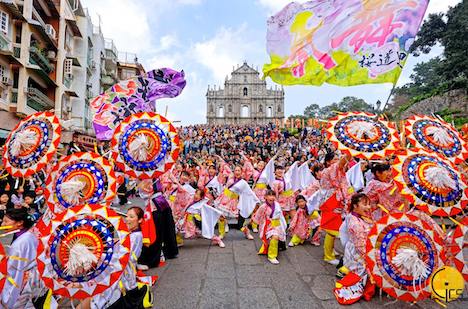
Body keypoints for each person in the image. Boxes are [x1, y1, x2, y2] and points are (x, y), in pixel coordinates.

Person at [82, 207, 148, 309]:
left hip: (122, 274)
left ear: (140, 220)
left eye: (131, 217)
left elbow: (123, 255)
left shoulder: (136, 236)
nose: (127, 219)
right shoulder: (130, 233)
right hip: (120, 269)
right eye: (127, 216)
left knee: (97, 291)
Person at [1, 208, 48, 308]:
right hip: (37, 276)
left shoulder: (20, 244)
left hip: (26, 280)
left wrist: (7, 297)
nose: (2, 224)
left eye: (6, 221)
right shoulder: (30, 233)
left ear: (20, 223)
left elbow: (15, 272)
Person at [334, 193, 375, 305]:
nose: (368, 207)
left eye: (369, 204)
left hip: (357, 248)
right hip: (359, 252)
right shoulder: (355, 223)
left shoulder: (356, 216)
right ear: (355, 205)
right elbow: (361, 247)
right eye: (365, 204)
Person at [139, 180, 178, 268]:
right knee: (155, 231)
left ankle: (169, 251)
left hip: (162, 203)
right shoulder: (141, 178)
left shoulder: (156, 176)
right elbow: (144, 193)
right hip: (153, 206)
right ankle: (155, 256)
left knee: (167, 228)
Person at [252, 190, 287, 265]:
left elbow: (280, 215)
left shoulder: (277, 204)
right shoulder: (263, 207)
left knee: (277, 238)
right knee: (275, 237)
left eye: (273, 195)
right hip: (268, 225)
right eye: (269, 195)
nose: (271, 197)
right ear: (265, 197)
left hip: (277, 224)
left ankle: (274, 247)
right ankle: (271, 256)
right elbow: (257, 217)